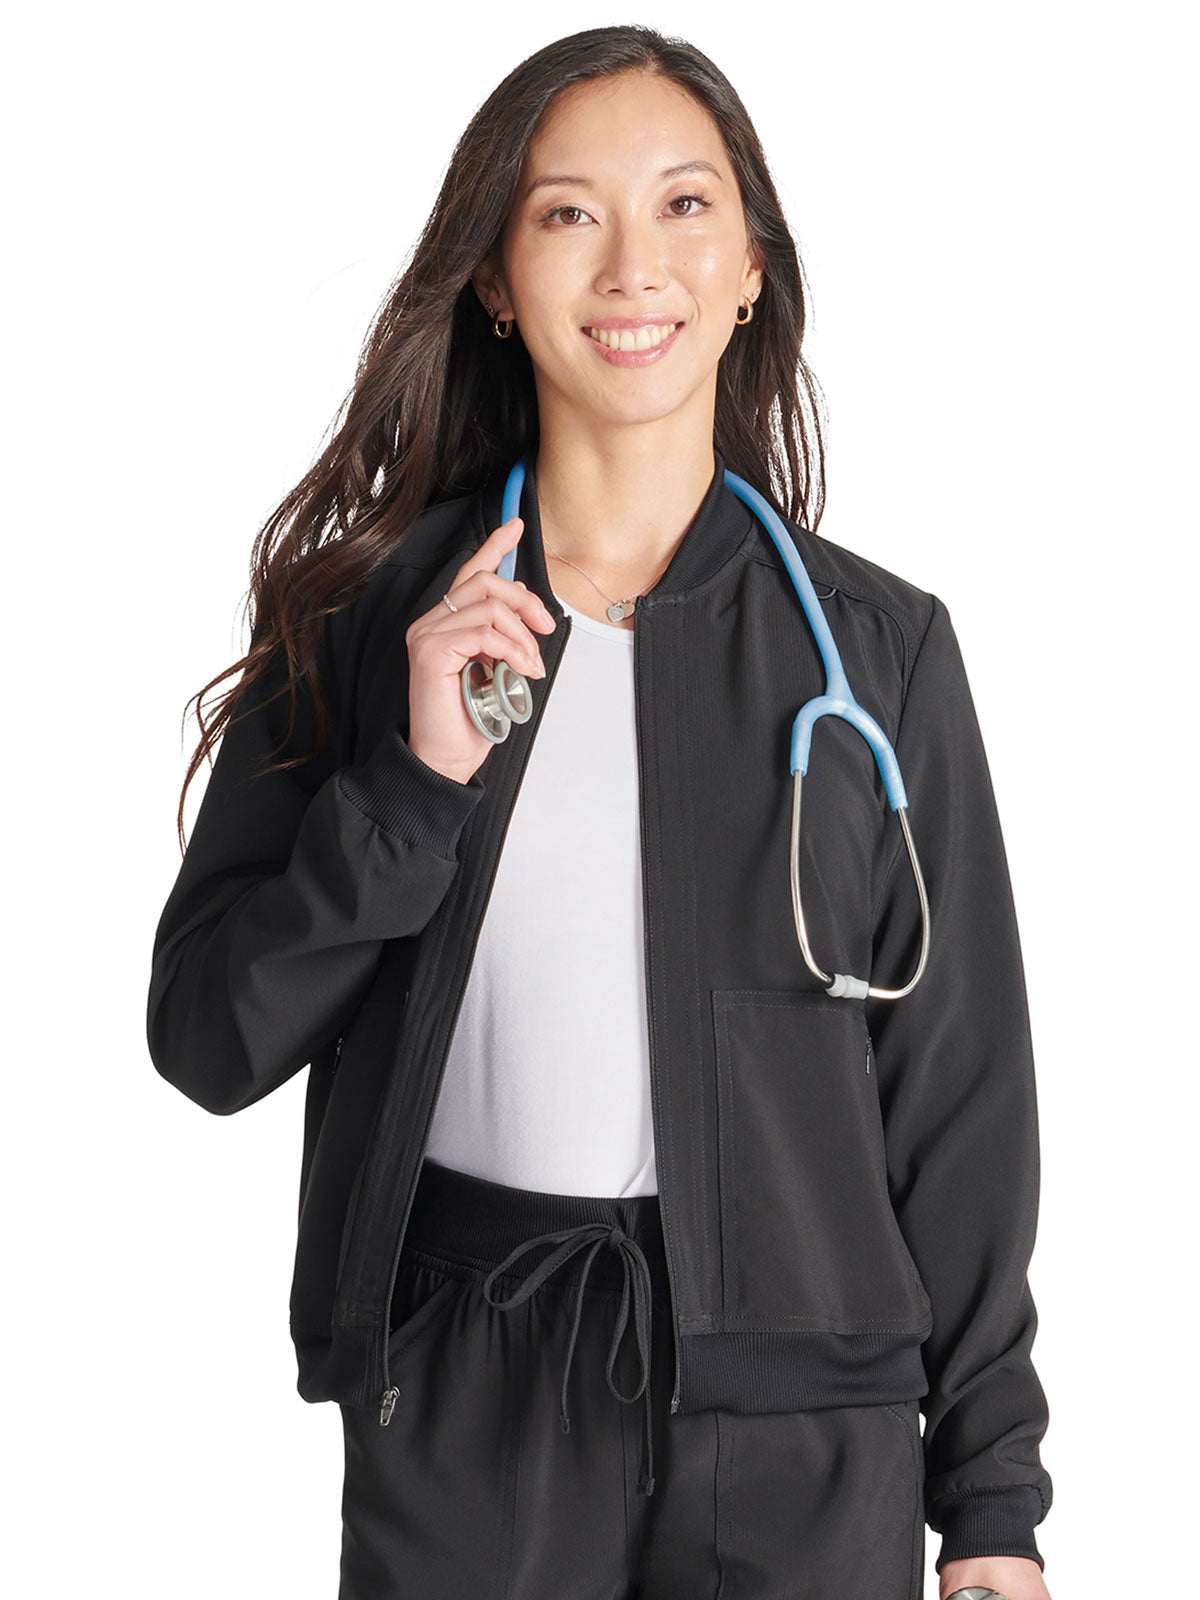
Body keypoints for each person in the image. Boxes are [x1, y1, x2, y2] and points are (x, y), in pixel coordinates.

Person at [146, 24, 1054, 1600]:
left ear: (752, 268)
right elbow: (212, 1038)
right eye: (568, 213)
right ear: (498, 280)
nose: (634, 267)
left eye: (685, 206)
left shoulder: (881, 652)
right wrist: (412, 784)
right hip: (468, 1405)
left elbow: (960, 1096)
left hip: (803, 1426)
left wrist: (989, 1501)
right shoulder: (368, 626)